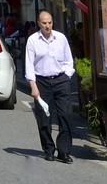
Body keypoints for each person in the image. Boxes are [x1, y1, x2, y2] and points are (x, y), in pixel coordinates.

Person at [25, 10, 76, 163]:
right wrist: (33, 86)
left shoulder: (61, 38)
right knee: (43, 117)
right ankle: (48, 149)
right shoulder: (33, 40)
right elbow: (29, 64)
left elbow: (68, 60)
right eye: (44, 23)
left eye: (50, 23)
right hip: (42, 81)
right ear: (39, 24)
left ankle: (64, 151)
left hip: (61, 80)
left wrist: (67, 76)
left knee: (65, 115)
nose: (47, 26)